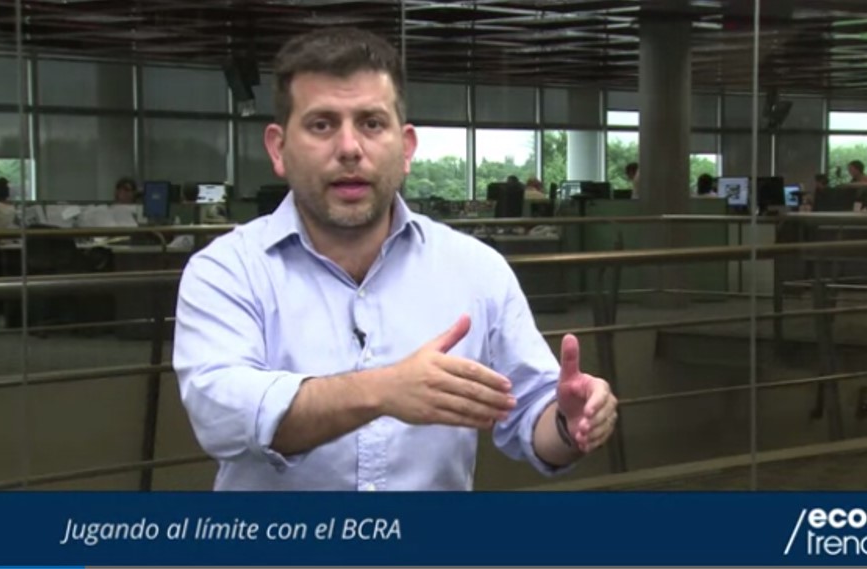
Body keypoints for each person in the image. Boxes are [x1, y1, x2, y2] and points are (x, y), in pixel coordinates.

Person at [172, 27, 619, 492]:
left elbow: (533, 413)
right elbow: (221, 414)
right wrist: (382, 391)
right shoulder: (226, 271)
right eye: (322, 124)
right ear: (278, 149)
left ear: (406, 148)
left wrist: (569, 421)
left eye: (371, 123)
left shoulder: (476, 270)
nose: (349, 148)